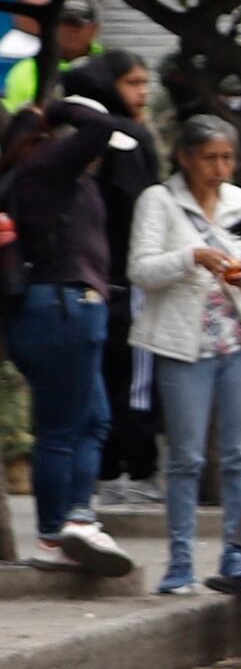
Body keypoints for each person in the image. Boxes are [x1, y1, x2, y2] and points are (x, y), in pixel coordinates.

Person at [1, 68, 145, 572]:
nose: (102, 154)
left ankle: (74, 521)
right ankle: (58, 532)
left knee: (93, 420)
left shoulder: (49, 179)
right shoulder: (46, 172)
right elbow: (100, 128)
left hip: (63, 311)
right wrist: (59, 107)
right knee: (63, 428)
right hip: (62, 309)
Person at [125, 114, 241, 595]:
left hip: (239, 340)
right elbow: (141, 269)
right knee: (185, 458)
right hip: (184, 345)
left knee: (240, 456)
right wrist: (192, 257)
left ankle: (235, 555)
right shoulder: (160, 201)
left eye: (227, 157)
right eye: (209, 157)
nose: (220, 167)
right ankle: (181, 561)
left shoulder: (240, 202)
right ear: (185, 157)